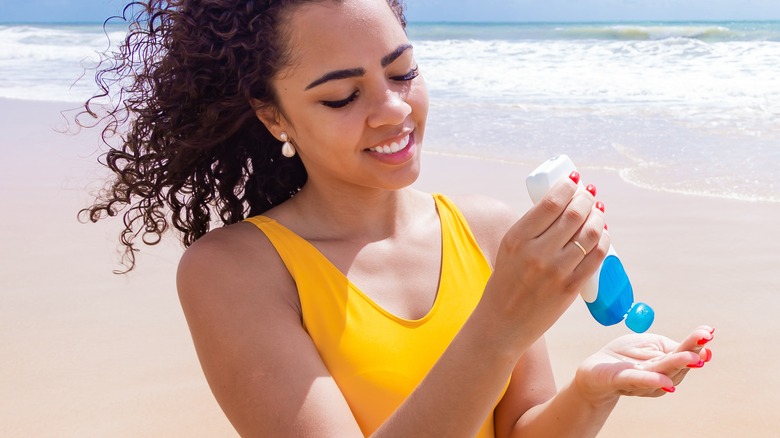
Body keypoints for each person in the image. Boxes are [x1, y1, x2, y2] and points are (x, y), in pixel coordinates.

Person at [79, 0, 714, 436]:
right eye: (342, 96)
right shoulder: (234, 271)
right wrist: (498, 325)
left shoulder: (486, 231)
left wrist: (589, 393)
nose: (392, 110)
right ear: (274, 117)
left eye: (403, 71)